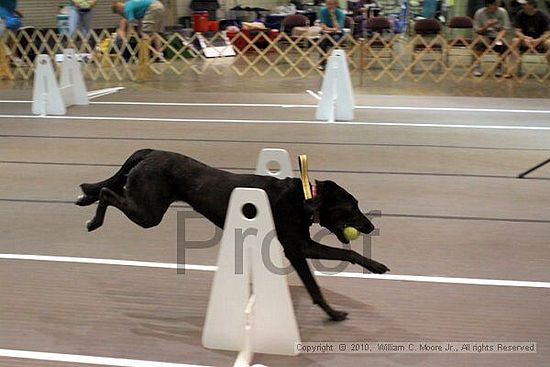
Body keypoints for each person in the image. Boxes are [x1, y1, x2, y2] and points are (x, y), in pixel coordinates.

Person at [505, 0, 550, 78]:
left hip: (540, 41)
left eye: (525, 4)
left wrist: (538, 40)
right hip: (525, 41)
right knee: (515, 41)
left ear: (532, 5)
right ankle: (510, 71)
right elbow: (517, 31)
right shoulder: (520, 14)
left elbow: (547, 33)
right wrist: (525, 38)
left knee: (549, 43)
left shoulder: (543, 15)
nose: (523, 6)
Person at [472, 0, 511, 77]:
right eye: (495, 4)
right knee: (480, 43)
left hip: (498, 36)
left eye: (498, 4)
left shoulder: (502, 12)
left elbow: (505, 28)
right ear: (488, 5)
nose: (497, 6)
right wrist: (486, 25)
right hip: (484, 36)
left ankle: (499, 66)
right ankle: (477, 66)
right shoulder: (479, 13)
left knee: (502, 46)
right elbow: (477, 30)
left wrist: (499, 36)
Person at [318, 0, 346, 70]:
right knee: (322, 42)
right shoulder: (323, 11)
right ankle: (323, 63)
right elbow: (322, 25)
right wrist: (330, 29)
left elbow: (338, 27)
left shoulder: (340, 13)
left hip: (338, 34)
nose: (329, 6)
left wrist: (333, 16)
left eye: (331, 4)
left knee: (336, 39)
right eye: (328, 4)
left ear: (336, 4)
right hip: (326, 33)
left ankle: (336, 62)